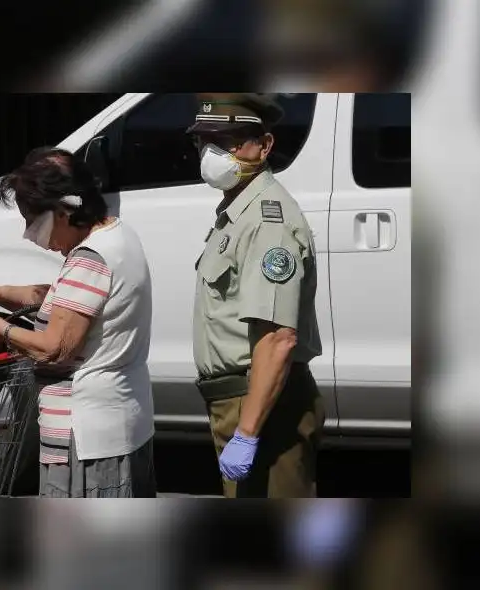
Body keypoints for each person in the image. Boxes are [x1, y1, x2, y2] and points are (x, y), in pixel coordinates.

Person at [0, 147, 157, 498]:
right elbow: (65, 299)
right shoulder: (117, 235)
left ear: (63, 211)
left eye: (32, 220)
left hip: (87, 435)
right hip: (120, 420)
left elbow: (55, 349)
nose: (30, 234)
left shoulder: (90, 259)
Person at [188, 93, 325, 498]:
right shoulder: (238, 212)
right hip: (241, 401)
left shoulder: (268, 221)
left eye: (226, 142)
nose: (211, 153)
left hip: (264, 404)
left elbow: (278, 338)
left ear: (264, 146)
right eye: (203, 141)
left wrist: (247, 432)